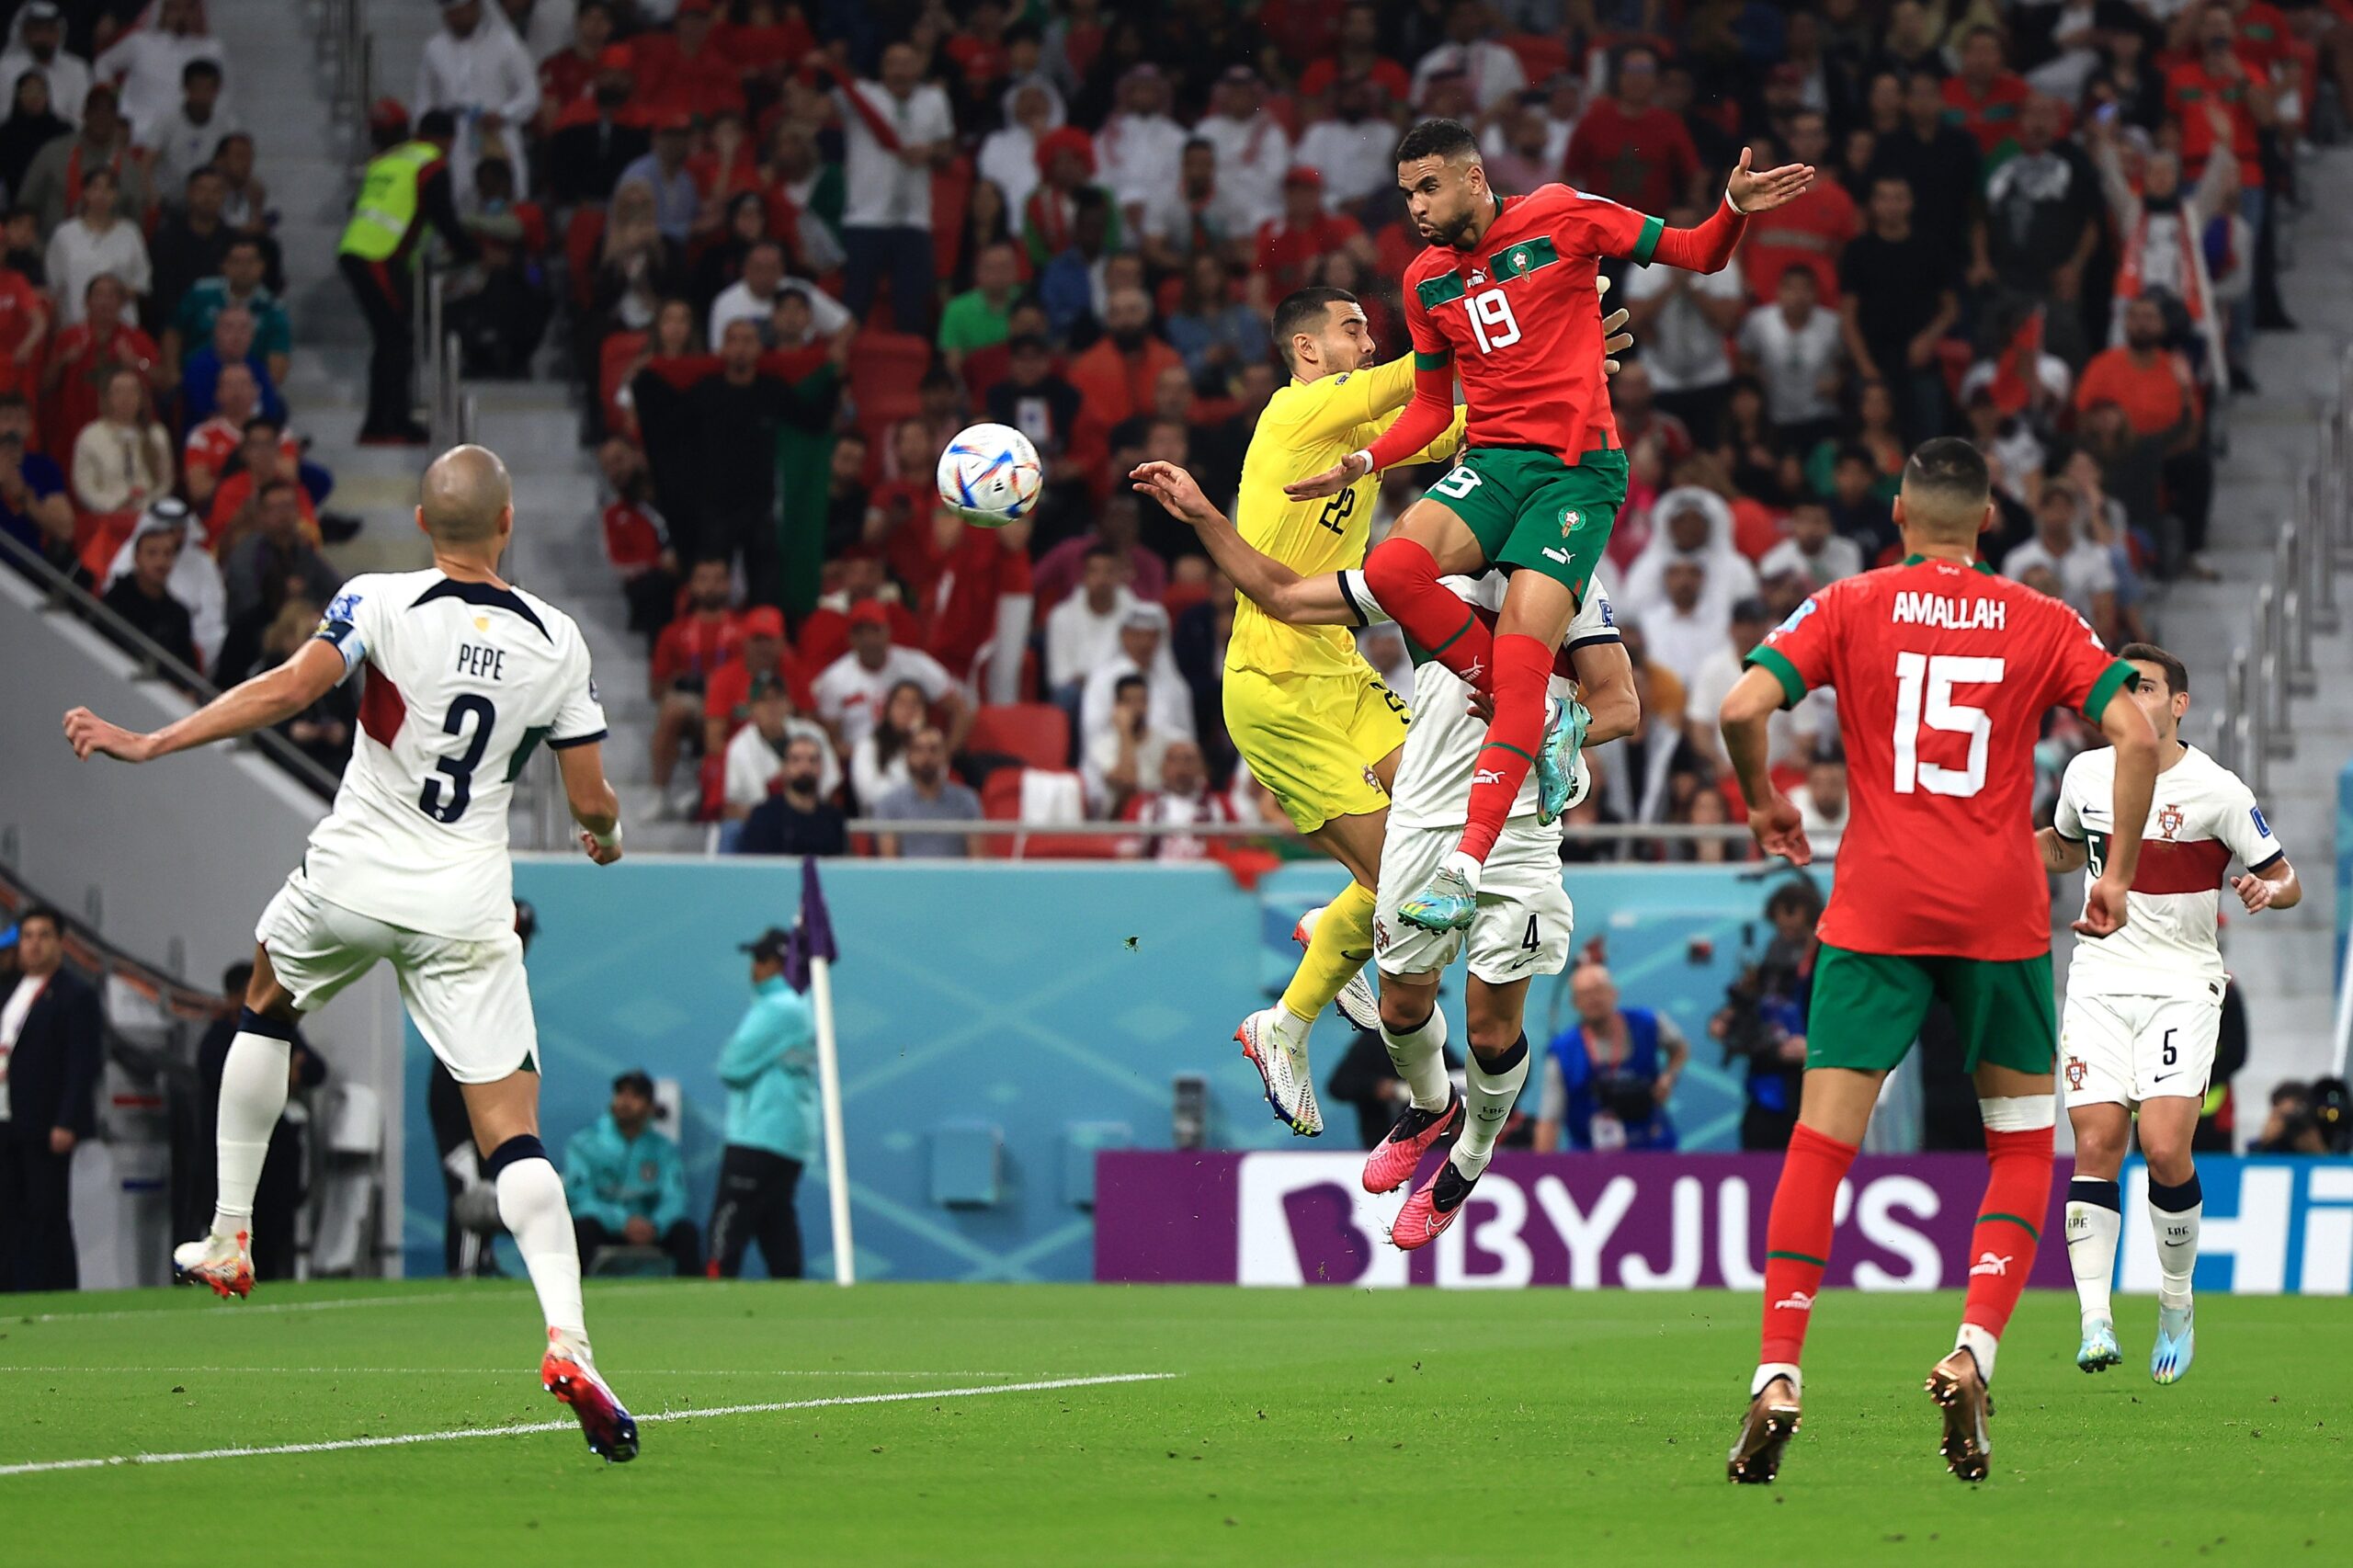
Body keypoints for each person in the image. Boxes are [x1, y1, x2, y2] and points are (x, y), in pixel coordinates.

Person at [63, 445, 640, 1463]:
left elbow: (290, 689)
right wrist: (606, 836)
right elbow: (589, 798)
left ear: (423, 522)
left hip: (351, 878)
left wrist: (152, 742)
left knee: (265, 996)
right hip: (465, 903)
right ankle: (569, 1338)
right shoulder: (558, 638)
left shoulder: (378, 598)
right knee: (511, 1132)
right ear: (507, 525)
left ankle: (230, 1231)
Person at [1716, 437, 2160, 1485]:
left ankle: (1778, 1370)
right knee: (2020, 1147)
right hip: (2000, 909)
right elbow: (2137, 735)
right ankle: (1972, 1351)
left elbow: (1739, 708)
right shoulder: (2041, 617)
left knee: (1821, 1144)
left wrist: (1765, 804)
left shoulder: (1849, 601)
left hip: (1877, 904)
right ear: (1990, 518)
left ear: (1900, 516)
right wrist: (2116, 873)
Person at [1290, 119, 1809, 942]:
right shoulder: (1425, 281)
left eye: (1429, 187)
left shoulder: (1563, 214)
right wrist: (1362, 462)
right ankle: (1531, 712)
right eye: (1407, 193)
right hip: (1495, 466)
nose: (1416, 207)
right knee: (1392, 572)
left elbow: (1698, 253)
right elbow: (1429, 407)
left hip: (1576, 474)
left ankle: (1464, 870)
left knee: (1525, 657)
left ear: (1473, 178)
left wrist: (1733, 209)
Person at [1130, 457, 1638, 1243]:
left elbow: (1621, 704)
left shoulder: (1565, 580)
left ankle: (1470, 1156)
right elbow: (1283, 595)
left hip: (1518, 829)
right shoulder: (1419, 569)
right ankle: (1432, 1107)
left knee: (1490, 1030)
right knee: (1401, 1005)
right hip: (1424, 820)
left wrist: (1551, 725)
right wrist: (1203, 514)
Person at [2040, 642, 2297, 1384]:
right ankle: (2094, 1320)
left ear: (2179, 704)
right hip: (2098, 978)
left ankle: (2176, 1300)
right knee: (2096, 1143)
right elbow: (2067, 849)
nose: (2131, 697)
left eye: (2146, 687)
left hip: (2183, 983)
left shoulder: (2217, 790)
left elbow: (2286, 878)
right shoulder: (2085, 773)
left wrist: (2268, 891)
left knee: (2162, 1148)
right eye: (2120, 687)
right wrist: (1998, 853)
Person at [337, 101, 477, 445]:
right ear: (448, 140)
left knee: (390, 339)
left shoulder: (389, 160)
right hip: (380, 254)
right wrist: (473, 254)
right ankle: (389, 423)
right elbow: (444, 218)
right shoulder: (431, 165)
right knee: (396, 340)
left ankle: (379, 422)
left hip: (359, 248)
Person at [191, 960, 325, 1282]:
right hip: (234, 1156)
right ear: (235, 996)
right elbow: (232, 1084)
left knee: (276, 1233)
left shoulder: (280, 1029)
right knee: (235, 1232)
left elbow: (316, 1069)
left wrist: (286, 1072)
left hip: (277, 1151)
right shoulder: (218, 1039)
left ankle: (278, 1284)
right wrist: (283, 1072)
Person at [0, 905, 100, 1291]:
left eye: (43, 936)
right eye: (27, 936)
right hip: (7, 1117)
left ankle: (52, 1287)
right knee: (9, 1211)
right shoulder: (8, 990)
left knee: (46, 1211)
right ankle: (12, 1288)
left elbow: (82, 1063)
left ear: (60, 943)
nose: (34, 945)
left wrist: (67, 1119)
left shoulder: (75, 995)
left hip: (45, 1121)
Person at [710, 926, 819, 1279]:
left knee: (727, 1226)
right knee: (776, 1223)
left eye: (760, 958)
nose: (753, 967)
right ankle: (791, 1301)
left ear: (779, 964)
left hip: (760, 1133)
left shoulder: (778, 1008)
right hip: (789, 1137)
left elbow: (731, 1066)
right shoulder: (802, 1004)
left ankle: (713, 1293)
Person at [824, 42, 953, 334]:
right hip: (864, 219)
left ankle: (914, 362)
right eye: (893, 64)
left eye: (906, 64)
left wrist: (930, 152)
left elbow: (947, 150)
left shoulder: (934, 99)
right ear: (882, 68)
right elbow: (811, 111)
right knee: (855, 306)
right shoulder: (861, 95)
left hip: (914, 221)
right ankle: (845, 361)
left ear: (918, 67)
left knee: (913, 309)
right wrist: (813, 73)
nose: (899, 71)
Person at [1712, 879, 1823, 1152]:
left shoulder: (1830, 964)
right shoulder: (1773, 961)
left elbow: (1850, 1024)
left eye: (1793, 928)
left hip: (1814, 1086)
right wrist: (1726, 1019)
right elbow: (1750, 1003)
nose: (1786, 934)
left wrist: (1815, 1049)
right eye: (1780, 928)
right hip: (1768, 1085)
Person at [1534, 963, 1687, 1153]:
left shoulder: (1649, 1023)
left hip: (1653, 1147)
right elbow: (1549, 1119)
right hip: (1590, 1156)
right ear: (1575, 1002)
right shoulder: (1562, 1052)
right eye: (1585, 994)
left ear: (1614, 993)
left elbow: (1680, 1048)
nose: (1593, 999)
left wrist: (1669, 1077)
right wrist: (1542, 1165)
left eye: (1598, 990)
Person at [564, 1070, 699, 1277]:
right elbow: (580, 1197)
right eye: (621, 1094)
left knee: (685, 1233)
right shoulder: (585, 1144)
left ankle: (690, 1293)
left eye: (635, 1096)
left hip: (649, 1229)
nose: (625, 1102)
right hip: (606, 1226)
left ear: (650, 1107)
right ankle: (573, 1290)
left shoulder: (662, 1149)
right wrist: (621, 1222)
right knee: (582, 1229)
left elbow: (674, 1197)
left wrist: (655, 1224)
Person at [99, 499, 199, 669]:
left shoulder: (178, 616)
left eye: (167, 554)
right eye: (152, 553)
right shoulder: (115, 600)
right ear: (137, 558)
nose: (161, 562)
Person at [46, 168, 147, 326]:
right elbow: (54, 286)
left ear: (116, 194)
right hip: (76, 325)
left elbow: (141, 280)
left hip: (121, 326)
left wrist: (109, 300)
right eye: (95, 187)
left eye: (108, 189)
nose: (102, 194)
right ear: (85, 192)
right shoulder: (64, 234)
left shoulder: (130, 232)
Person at [872, 727, 983, 858]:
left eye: (933, 749)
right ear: (908, 757)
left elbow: (977, 859)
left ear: (944, 755)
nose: (926, 757)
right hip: (909, 872)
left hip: (955, 872)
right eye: (918, 750)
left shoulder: (967, 800)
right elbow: (888, 862)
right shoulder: (889, 803)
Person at [738, 733, 848, 857]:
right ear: (784, 767)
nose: (805, 767)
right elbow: (752, 864)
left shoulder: (833, 819)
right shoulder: (763, 816)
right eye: (796, 760)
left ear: (821, 767)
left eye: (812, 760)